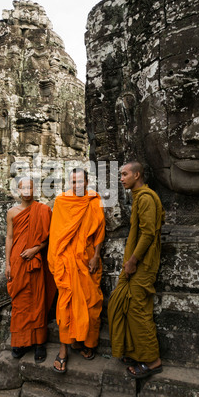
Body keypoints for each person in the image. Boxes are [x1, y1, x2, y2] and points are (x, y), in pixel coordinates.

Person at [107, 161, 165, 379]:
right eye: (120, 174)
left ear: (137, 175)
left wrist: (132, 261)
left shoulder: (147, 198)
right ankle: (133, 351)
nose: (121, 178)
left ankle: (152, 361)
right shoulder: (139, 197)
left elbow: (148, 234)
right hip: (135, 262)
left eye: (125, 174)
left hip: (142, 263)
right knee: (121, 303)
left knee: (138, 310)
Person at [48, 168, 106, 373]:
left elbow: (99, 232)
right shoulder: (62, 202)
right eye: (73, 182)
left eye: (80, 181)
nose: (77, 185)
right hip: (65, 261)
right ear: (69, 183)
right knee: (65, 306)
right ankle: (63, 350)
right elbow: (55, 235)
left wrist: (96, 256)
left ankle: (86, 343)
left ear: (87, 181)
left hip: (86, 259)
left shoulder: (94, 200)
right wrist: (56, 261)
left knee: (91, 302)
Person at [5, 177, 56, 363]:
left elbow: (49, 237)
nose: (26, 190)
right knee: (19, 303)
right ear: (18, 190)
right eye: (23, 187)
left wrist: (35, 249)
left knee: (37, 301)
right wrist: (7, 263)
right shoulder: (12, 212)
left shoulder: (43, 210)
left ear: (35, 189)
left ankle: (39, 343)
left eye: (30, 186)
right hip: (17, 262)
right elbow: (9, 238)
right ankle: (20, 342)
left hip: (35, 261)